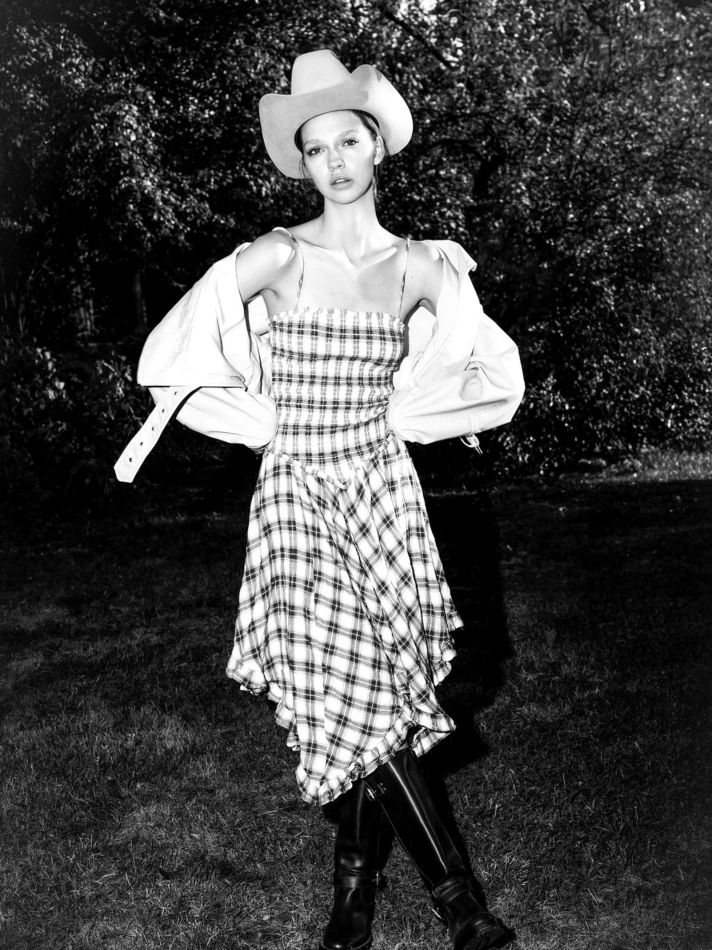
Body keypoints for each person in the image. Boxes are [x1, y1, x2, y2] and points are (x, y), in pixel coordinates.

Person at [115, 49, 524, 950]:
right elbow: (173, 348)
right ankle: (462, 906)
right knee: (358, 691)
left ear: (377, 145)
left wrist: (412, 415)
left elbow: (490, 368)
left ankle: (352, 894)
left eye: (348, 140)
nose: (333, 161)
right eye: (315, 147)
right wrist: (257, 419)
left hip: (381, 495)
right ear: (301, 162)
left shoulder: (420, 268)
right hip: (297, 495)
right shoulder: (278, 256)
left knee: (373, 696)